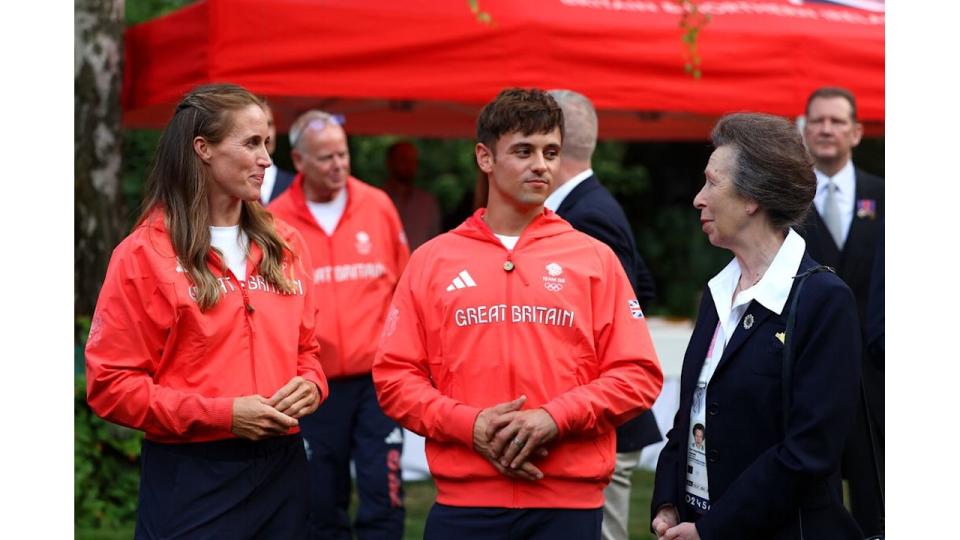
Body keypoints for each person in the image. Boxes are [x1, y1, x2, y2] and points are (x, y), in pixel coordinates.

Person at [372, 88, 663, 540]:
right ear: (484, 157)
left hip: (568, 505)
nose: (541, 165)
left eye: (550, 152)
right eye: (523, 151)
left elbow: (638, 374)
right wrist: (471, 425)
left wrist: (555, 418)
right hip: (465, 505)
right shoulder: (433, 260)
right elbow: (395, 379)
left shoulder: (594, 258)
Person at [85, 83, 328, 539]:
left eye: (268, 145)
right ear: (204, 149)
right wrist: (224, 414)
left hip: (284, 468)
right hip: (194, 476)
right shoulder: (144, 254)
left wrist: (312, 386)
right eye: (252, 143)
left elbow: (308, 351)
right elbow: (111, 386)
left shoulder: (286, 243)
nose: (266, 161)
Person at [651, 113, 863, 539]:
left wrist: (713, 529)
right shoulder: (718, 292)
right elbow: (691, 411)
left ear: (752, 198)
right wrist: (668, 502)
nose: (698, 198)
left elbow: (809, 452)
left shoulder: (825, 301)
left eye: (712, 182)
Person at [268, 109, 410, 540]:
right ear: (299, 160)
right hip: (312, 384)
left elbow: (404, 287)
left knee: (383, 493)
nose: (338, 166)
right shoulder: (274, 219)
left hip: (376, 382)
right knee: (319, 498)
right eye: (326, 158)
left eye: (343, 154)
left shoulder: (378, 205)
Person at [544, 88, 661, 540]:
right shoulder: (587, 205)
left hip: (603, 422)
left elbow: (621, 307)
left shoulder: (587, 214)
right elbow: (643, 285)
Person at [800, 86, 884, 537]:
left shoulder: (886, 196)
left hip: (878, 381)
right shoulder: (786, 203)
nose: (826, 129)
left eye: (836, 121)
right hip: (813, 375)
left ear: (856, 132)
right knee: (818, 499)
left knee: (880, 500)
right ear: (805, 129)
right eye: (817, 121)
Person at [383, 141, 442, 250]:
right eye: (403, 159)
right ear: (389, 162)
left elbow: (435, 241)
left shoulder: (427, 203)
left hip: (420, 264)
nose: (408, 165)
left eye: (412, 160)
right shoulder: (379, 199)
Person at [259, 98, 296, 204]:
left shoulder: (294, 184)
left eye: (269, 124)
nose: (267, 133)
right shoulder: (231, 185)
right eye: (259, 125)